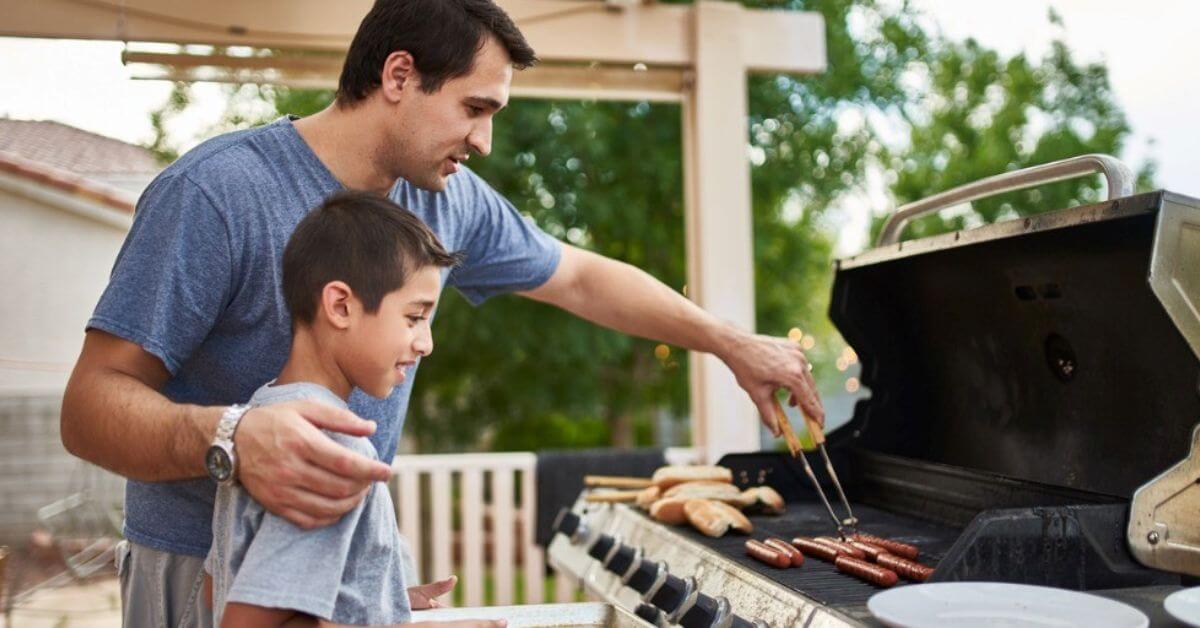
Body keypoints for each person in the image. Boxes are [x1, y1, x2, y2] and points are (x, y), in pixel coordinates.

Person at [60, 0, 824, 625]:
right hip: (200, 574)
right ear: (399, 75)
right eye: (474, 107)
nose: (485, 140)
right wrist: (234, 438)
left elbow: (582, 279)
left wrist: (731, 344)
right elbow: (89, 407)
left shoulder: (443, 200)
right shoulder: (217, 194)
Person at [207, 191, 468, 627]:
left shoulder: (263, 417)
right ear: (341, 306)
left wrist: (382, 597)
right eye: (414, 317)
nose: (427, 343)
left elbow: (220, 586)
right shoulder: (331, 447)